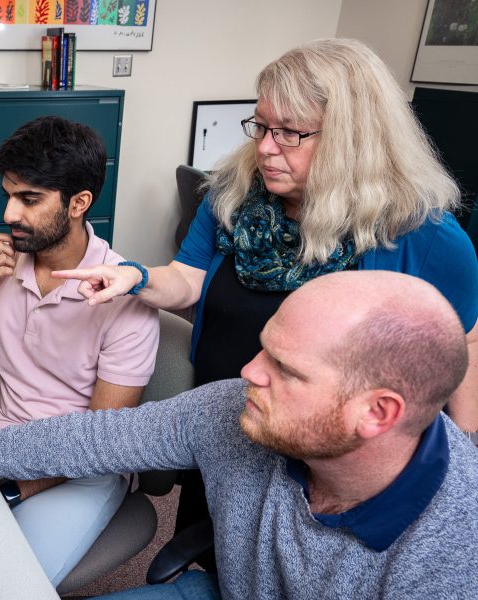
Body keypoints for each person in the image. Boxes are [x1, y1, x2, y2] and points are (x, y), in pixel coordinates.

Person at [0, 270, 478, 600]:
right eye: (263, 349)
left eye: (284, 369)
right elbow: (97, 437)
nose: (248, 371)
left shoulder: (458, 561)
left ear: (377, 413)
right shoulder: (237, 407)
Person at [54, 37, 478, 545]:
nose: (265, 147)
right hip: (228, 423)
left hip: (327, 458)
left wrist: (467, 459)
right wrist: (137, 278)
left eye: (290, 133)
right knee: (212, 553)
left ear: (352, 137)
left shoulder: (423, 236)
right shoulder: (234, 194)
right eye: (261, 126)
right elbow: (190, 278)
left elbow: (465, 346)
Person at [0, 115, 159, 587]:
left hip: (79, 469)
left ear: (79, 203)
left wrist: (15, 487)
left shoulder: (123, 296)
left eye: (29, 199)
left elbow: (100, 442)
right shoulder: (5, 262)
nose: (9, 214)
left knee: (8, 588)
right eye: (9, 194)